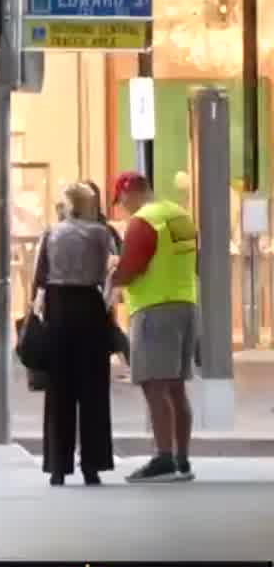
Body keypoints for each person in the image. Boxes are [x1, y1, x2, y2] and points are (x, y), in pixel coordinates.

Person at [107, 171, 200, 484]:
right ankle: (182, 457)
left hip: (154, 308)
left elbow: (132, 267)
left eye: (121, 200)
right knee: (176, 386)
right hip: (185, 304)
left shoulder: (144, 221)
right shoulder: (181, 216)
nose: (122, 207)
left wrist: (112, 275)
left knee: (153, 386)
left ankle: (163, 458)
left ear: (131, 192)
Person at [30, 183, 119, 486]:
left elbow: (40, 278)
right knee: (93, 389)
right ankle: (92, 464)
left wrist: (38, 311)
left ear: (66, 205)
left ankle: (58, 465)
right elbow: (111, 272)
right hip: (89, 305)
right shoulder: (100, 233)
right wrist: (106, 305)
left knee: (60, 388)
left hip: (58, 307)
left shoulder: (51, 233)